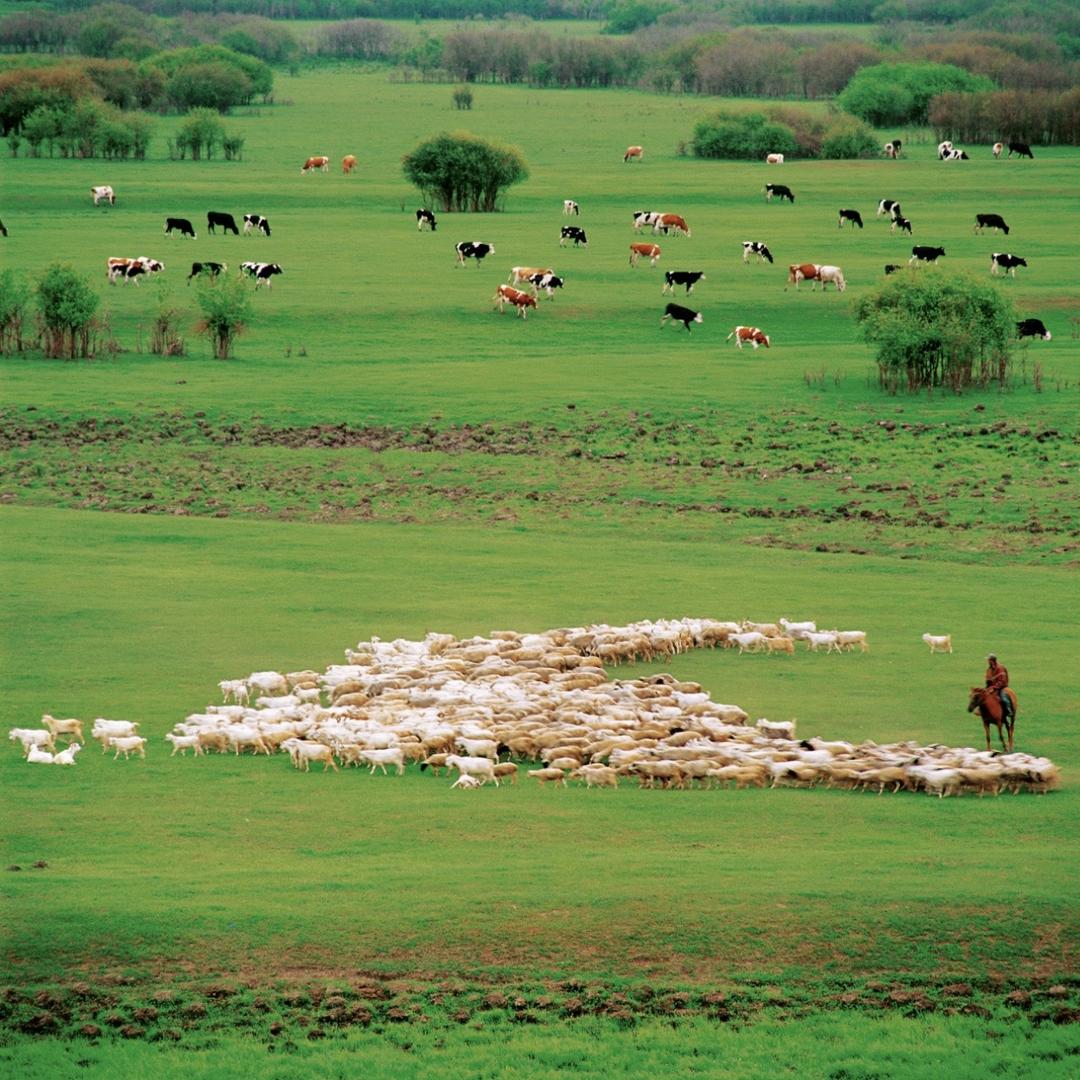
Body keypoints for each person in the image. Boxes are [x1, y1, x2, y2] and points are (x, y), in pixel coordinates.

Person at [984, 654, 1012, 721]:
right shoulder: (989, 669)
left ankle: (1009, 710)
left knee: (1003, 698)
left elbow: (1002, 681)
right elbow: (988, 679)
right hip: (991, 687)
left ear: (992, 661)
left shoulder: (1000, 668)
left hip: (1001, 687)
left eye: (988, 660)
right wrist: (987, 685)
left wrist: (994, 688)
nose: (987, 661)